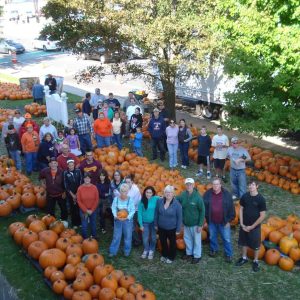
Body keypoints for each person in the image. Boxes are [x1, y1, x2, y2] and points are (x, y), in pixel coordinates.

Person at [236, 181, 267, 272]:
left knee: (256, 244)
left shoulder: (261, 199)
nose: (251, 186)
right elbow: (241, 209)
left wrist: (252, 226)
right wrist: (241, 223)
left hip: (255, 227)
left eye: (253, 185)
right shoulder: (245, 196)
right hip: (244, 225)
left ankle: (255, 260)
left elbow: (262, 216)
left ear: (257, 186)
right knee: (244, 242)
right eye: (249, 185)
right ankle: (244, 258)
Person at [203, 177, 235, 262]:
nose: (215, 186)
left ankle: (228, 254)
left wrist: (229, 220)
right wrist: (206, 219)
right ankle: (214, 249)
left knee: (226, 238)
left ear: (220, 185)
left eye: (217, 184)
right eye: (214, 184)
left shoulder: (227, 195)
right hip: (212, 221)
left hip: (223, 221)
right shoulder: (207, 194)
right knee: (212, 236)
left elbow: (231, 208)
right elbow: (204, 206)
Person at [177, 178, 205, 264]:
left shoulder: (197, 197)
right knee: (187, 239)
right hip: (186, 223)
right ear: (185, 186)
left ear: (193, 185)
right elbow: (176, 199)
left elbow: (202, 211)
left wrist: (200, 225)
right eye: (187, 184)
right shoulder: (183, 194)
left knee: (196, 240)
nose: (188, 186)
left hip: (195, 224)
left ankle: (197, 256)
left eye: (190, 184)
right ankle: (189, 253)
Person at [155, 185, 182, 264]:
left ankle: (171, 256)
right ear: (164, 193)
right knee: (163, 242)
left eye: (170, 192)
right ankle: (164, 254)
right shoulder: (159, 201)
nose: (168, 194)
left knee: (172, 243)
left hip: (172, 228)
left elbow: (180, 218)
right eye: (166, 192)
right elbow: (156, 213)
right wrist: (156, 224)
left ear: (173, 194)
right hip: (161, 227)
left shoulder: (177, 204)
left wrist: (178, 229)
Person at [109, 183, 135, 257]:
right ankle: (113, 251)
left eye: (125, 191)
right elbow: (113, 208)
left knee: (128, 236)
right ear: (120, 191)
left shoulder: (130, 200)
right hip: (118, 220)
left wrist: (128, 217)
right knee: (116, 236)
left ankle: (126, 251)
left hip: (127, 221)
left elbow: (132, 210)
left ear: (128, 192)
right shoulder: (116, 199)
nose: (123, 193)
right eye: (122, 191)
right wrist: (115, 216)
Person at [138, 186, 160, 260]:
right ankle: (146, 249)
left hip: (153, 222)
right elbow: (139, 214)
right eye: (147, 192)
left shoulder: (156, 199)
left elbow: (165, 199)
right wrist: (141, 224)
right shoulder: (141, 201)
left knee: (153, 237)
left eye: (150, 192)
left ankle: (151, 250)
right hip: (145, 223)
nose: (148, 194)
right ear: (144, 193)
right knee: (145, 238)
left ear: (153, 193)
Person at [77, 172, 99, 239]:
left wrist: (92, 210)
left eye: (88, 178)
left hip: (93, 210)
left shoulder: (94, 188)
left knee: (93, 223)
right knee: (84, 224)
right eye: (85, 178)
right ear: (83, 179)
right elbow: (79, 201)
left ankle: (94, 236)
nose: (87, 179)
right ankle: (84, 238)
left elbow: (96, 199)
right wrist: (86, 210)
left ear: (90, 179)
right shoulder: (80, 188)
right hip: (84, 210)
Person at [63, 159, 82, 228]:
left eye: (72, 165)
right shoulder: (65, 173)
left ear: (74, 165)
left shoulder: (78, 171)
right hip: (70, 194)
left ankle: (80, 222)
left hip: (78, 192)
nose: (71, 166)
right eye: (69, 165)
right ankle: (74, 223)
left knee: (79, 207)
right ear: (67, 166)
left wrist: (77, 194)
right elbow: (66, 185)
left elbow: (80, 182)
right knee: (72, 208)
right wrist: (73, 195)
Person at [124, 175, 142, 246]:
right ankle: (132, 237)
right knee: (130, 226)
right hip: (127, 208)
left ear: (132, 182)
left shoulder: (136, 190)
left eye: (129, 182)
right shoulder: (125, 187)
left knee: (132, 227)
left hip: (135, 210)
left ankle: (137, 241)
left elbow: (134, 203)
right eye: (126, 182)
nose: (127, 184)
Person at [96, 170, 112, 234]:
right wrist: (104, 194)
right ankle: (103, 227)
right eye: (100, 176)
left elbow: (109, 191)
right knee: (101, 213)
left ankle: (113, 224)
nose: (102, 177)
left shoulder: (108, 182)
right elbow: (98, 193)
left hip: (107, 200)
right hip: (100, 200)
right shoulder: (97, 183)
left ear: (105, 176)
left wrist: (107, 194)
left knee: (111, 212)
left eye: (103, 176)